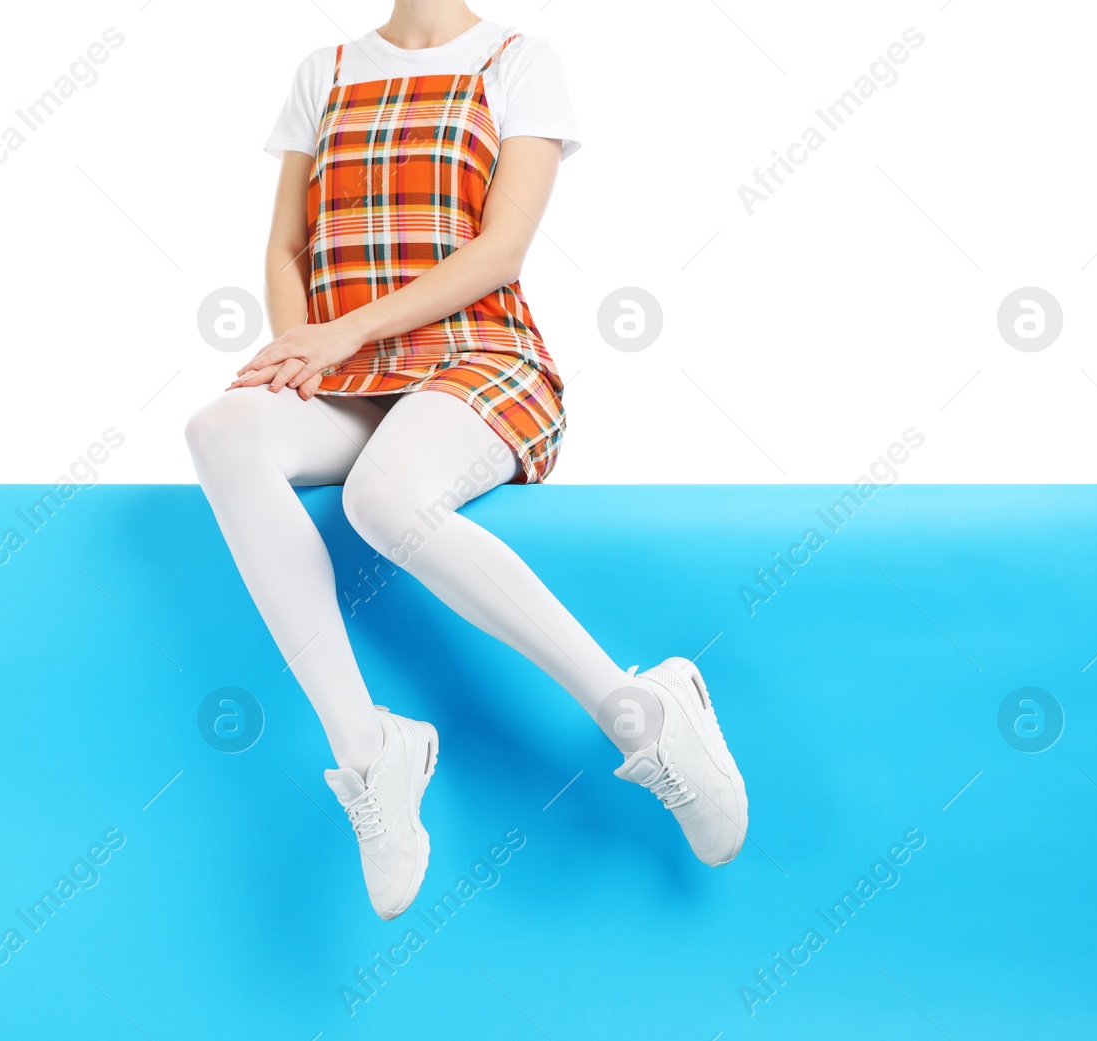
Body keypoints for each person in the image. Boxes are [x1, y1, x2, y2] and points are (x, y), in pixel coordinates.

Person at [184, 2, 747, 920]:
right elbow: (286, 246)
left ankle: (638, 711)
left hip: (478, 359)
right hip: (352, 379)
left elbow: (502, 249)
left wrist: (342, 333)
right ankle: (370, 751)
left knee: (384, 498)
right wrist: (301, 352)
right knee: (221, 431)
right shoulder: (322, 70)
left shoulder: (518, 61)